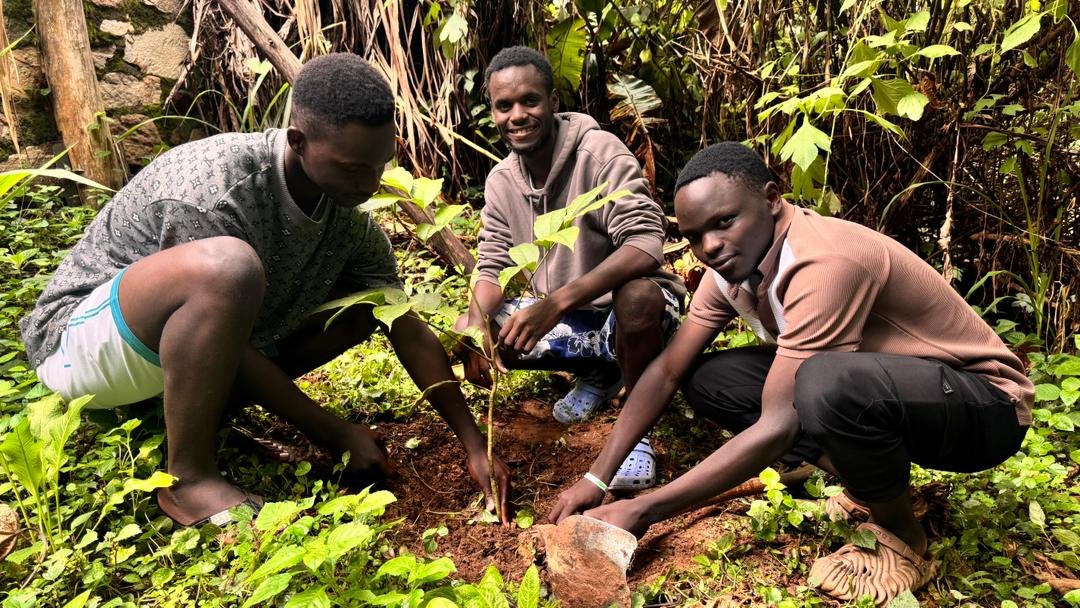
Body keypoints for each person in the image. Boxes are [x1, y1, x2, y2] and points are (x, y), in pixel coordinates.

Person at [20, 53, 511, 527]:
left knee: (368, 307)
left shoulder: (346, 218)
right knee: (228, 267)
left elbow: (400, 321)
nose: (371, 182)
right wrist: (334, 432)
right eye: (353, 167)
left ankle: (189, 413)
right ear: (298, 139)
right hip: (81, 348)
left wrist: (473, 445)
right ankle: (187, 479)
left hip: (164, 360)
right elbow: (217, 325)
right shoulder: (216, 187)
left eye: (380, 163)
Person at [549, 142, 1033, 604]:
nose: (710, 247)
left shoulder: (823, 262)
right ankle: (876, 489)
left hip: (986, 408)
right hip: (900, 392)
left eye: (724, 222)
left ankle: (903, 537)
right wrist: (596, 476)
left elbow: (779, 426)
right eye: (694, 236)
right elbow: (668, 371)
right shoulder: (730, 271)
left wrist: (643, 509)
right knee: (712, 379)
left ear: (772, 199)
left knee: (825, 383)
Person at [455, 46, 685, 490]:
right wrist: (476, 322)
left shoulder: (600, 154)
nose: (517, 115)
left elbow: (645, 245)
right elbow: (491, 266)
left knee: (638, 296)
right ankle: (599, 374)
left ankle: (636, 432)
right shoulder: (502, 181)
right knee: (475, 323)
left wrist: (557, 302)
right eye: (504, 106)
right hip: (576, 323)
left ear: (554, 102)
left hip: (639, 320)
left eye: (530, 101)